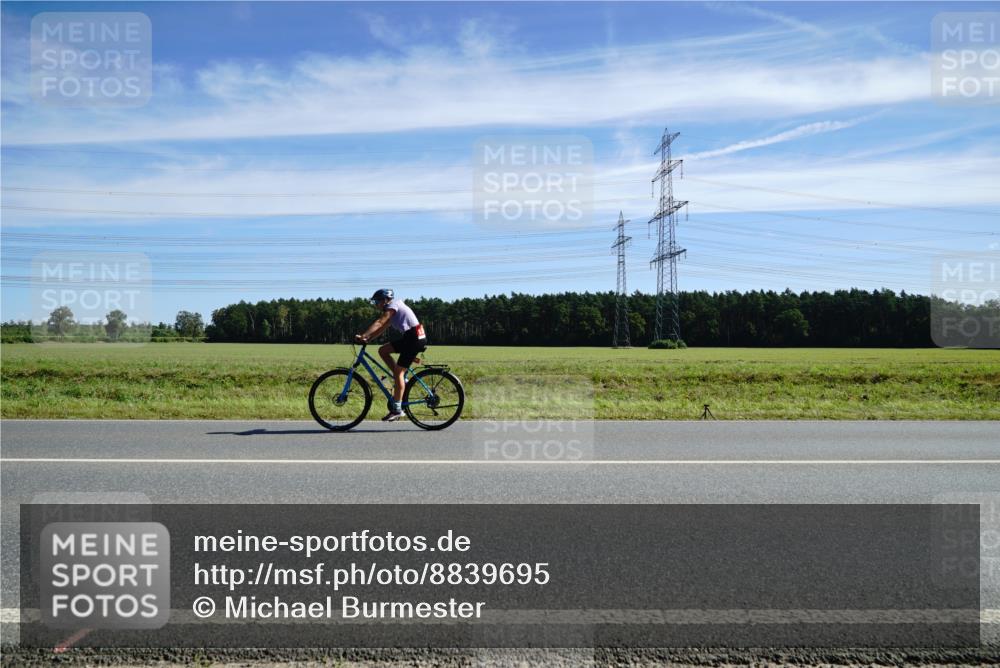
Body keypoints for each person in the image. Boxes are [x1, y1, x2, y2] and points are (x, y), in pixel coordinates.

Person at [354, 288, 427, 421]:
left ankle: (397, 409)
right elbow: (382, 328)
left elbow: (380, 322)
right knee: (383, 350)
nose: (375, 304)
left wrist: (364, 335)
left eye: (377, 301)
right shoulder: (392, 311)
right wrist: (368, 339)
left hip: (414, 338)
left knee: (399, 372)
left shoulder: (393, 306)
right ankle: (401, 381)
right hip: (411, 337)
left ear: (385, 300)